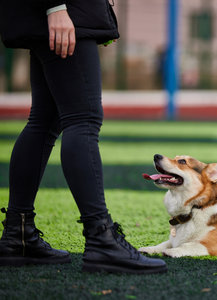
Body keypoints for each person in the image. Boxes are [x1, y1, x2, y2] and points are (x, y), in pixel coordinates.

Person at [0, 0, 167, 274]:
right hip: (64, 11)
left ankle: (18, 235)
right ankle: (101, 239)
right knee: (83, 119)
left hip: (60, 12)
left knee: (45, 119)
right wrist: (55, 8)